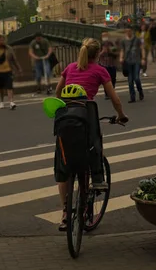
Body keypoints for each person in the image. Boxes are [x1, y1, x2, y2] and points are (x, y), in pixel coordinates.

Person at [55, 38, 128, 230]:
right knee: (94, 146)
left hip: (66, 120)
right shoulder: (100, 71)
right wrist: (121, 115)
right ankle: (97, 179)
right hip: (86, 118)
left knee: (64, 166)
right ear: (98, 55)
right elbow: (115, 99)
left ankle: (65, 212)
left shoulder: (70, 68)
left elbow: (57, 93)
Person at [0, 34, 22, 109]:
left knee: (9, 86)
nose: (2, 42)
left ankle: (11, 102)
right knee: (1, 88)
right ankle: (1, 101)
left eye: (3, 40)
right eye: (1, 40)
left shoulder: (9, 48)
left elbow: (14, 59)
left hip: (8, 70)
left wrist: (18, 68)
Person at [120, 25, 145, 103]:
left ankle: (140, 92)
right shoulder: (123, 41)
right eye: (127, 31)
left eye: (129, 31)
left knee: (136, 78)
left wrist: (143, 58)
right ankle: (132, 97)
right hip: (128, 62)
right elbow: (122, 50)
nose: (128, 32)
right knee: (130, 81)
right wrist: (121, 58)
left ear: (132, 31)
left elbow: (142, 48)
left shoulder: (137, 39)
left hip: (136, 61)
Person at [98, 33, 119, 100]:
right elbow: (97, 55)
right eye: (103, 36)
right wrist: (103, 52)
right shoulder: (100, 45)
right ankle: (107, 94)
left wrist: (111, 51)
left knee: (113, 78)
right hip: (104, 64)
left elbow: (116, 54)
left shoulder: (111, 44)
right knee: (106, 79)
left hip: (112, 64)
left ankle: (112, 91)